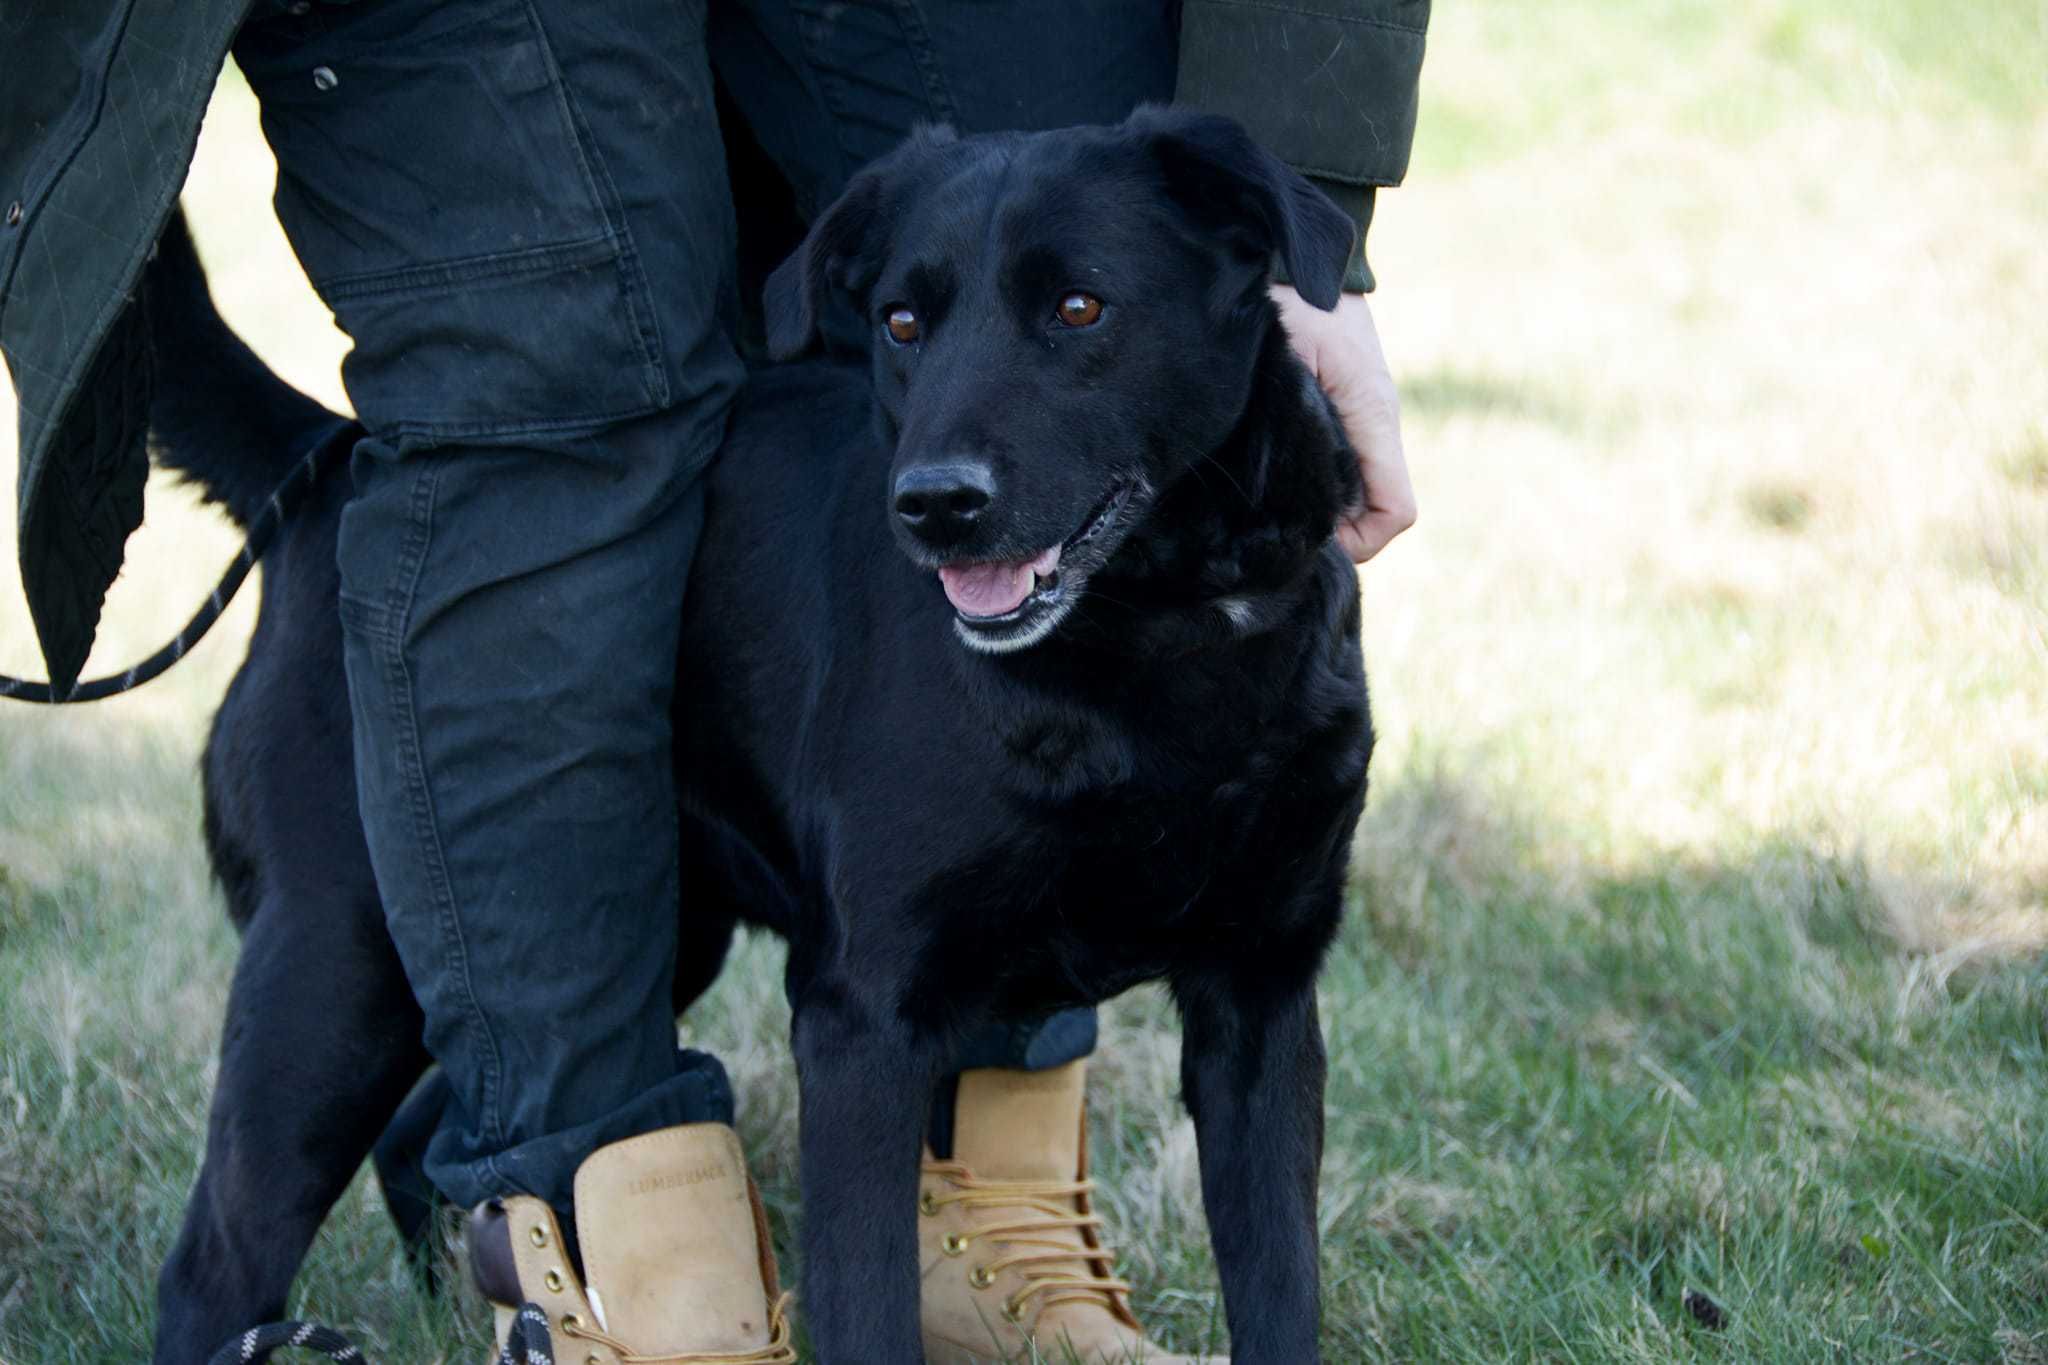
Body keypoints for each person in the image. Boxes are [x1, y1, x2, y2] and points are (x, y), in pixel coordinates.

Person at [1, 2, 1428, 1360]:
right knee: (357, 995)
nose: (940, 452)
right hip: (466, 612)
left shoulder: (1265, 600)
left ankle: (972, 1222)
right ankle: (536, 1268)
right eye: (910, 332)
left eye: (1071, 311)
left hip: (929, 611)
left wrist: (1308, 190)